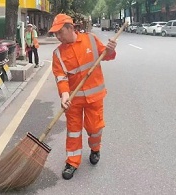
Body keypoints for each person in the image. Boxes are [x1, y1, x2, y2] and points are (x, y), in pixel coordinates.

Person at [49, 13, 117, 180]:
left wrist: (110, 50)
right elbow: (61, 77)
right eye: (55, 33)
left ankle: (95, 149)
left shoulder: (91, 40)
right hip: (73, 100)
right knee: (73, 131)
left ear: (70, 28)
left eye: (60, 32)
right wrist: (64, 95)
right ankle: (72, 162)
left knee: (95, 129)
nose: (57, 36)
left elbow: (106, 55)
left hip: (95, 97)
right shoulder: (58, 54)